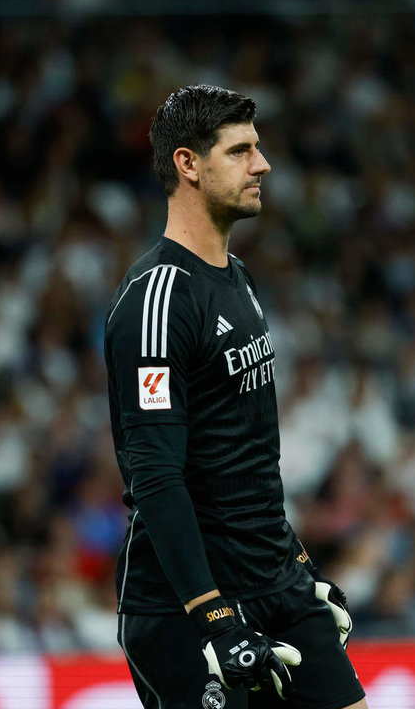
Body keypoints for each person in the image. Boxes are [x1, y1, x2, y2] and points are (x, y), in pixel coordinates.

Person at [105, 85, 367, 709]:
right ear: (188, 165)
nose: (263, 164)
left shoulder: (238, 278)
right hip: (187, 605)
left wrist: (296, 565)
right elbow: (156, 477)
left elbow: (246, 459)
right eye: (241, 150)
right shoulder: (157, 298)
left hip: (272, 580)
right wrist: (213, 616)